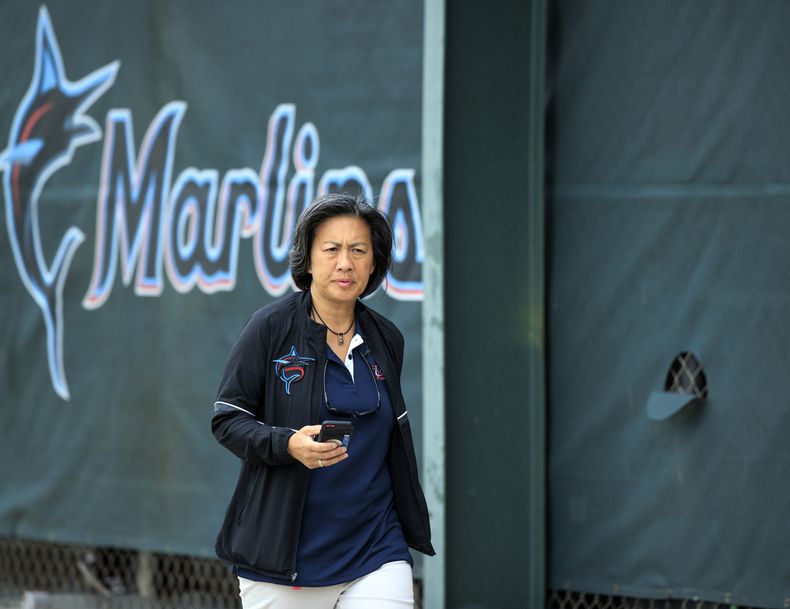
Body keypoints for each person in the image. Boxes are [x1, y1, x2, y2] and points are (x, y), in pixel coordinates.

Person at [211, 192, 434, 609]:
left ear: (374, 262)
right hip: (286, 557)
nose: (345, 263)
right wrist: (287, 444)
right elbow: (228, 420)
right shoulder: (269, 328)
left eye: (358, 250)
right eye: (331, 249)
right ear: (308, 259)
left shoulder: (387, 338)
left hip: (375, 545)